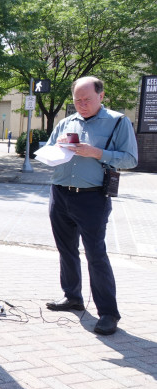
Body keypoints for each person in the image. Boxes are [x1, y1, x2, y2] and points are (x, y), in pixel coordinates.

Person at [45, 76, 138, 335]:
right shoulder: (66, 122)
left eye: (87, 99)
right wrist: (55, 151)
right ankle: (72, 296)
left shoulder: (118, 122)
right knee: (66, 250)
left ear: (102, 96)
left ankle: (108, 313)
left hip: (92, 197)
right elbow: (50, 148)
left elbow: (130, 159)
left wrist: (97, 152)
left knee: (96, 256)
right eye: (77, 100)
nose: (82, 104)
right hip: (60, 192)